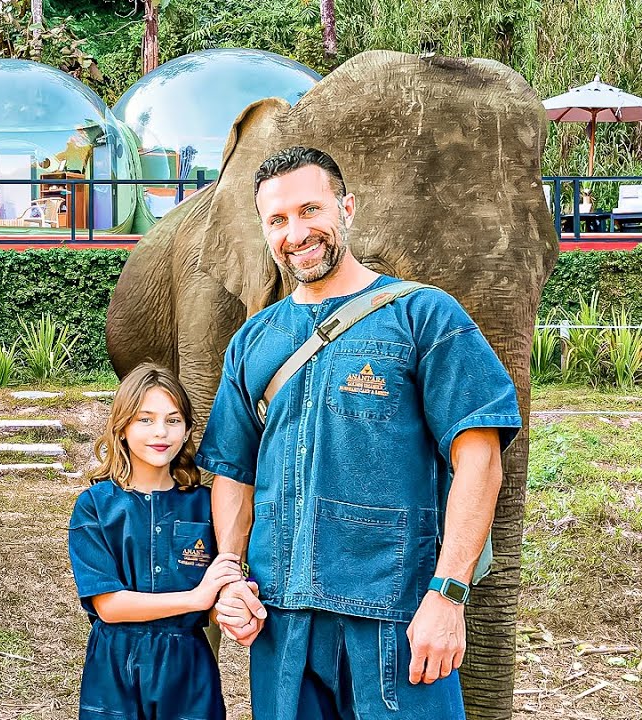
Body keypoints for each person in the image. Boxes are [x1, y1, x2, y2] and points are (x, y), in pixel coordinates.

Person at [197, 146, 521, 719]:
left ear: (346, 208)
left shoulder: (425, 316)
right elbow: (233, 473)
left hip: (399, 615)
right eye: (277, 219)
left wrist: (447, 597)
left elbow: (481, 461)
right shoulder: (254, 339)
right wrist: (231, 574)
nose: (295, 233)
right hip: (281, 618)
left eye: (310, 210)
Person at [68, 362, 243, 720]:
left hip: (189, 667)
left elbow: (218, 594)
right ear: (122, 428)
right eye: (145, 419)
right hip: (115, 666)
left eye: (173, 420)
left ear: (188, 429)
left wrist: (231, 605)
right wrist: (196, 597)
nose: (160, 432)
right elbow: (109, 606)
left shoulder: (205, 506)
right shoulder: (96, 506)